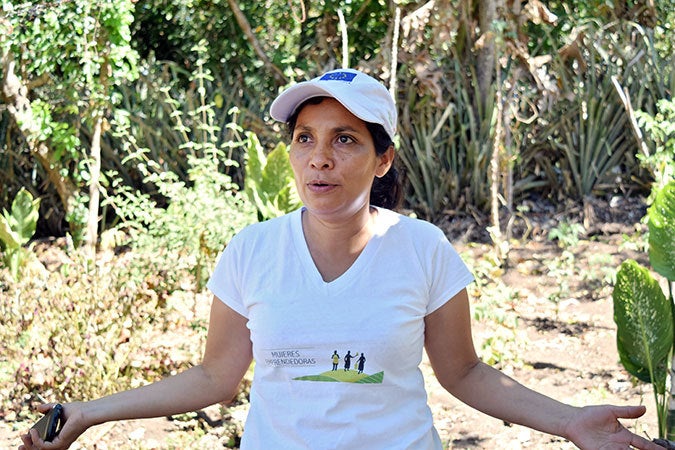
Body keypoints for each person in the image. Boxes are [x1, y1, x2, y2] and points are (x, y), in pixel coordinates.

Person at [19, 68, 662, 450]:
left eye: (345, 140)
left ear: (382, 160)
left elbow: (464, 373)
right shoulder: (253, 252)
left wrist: (570, 420)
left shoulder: (422, 250)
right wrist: (88, 412)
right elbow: (214, 378)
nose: (318, 158)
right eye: (305, 139)